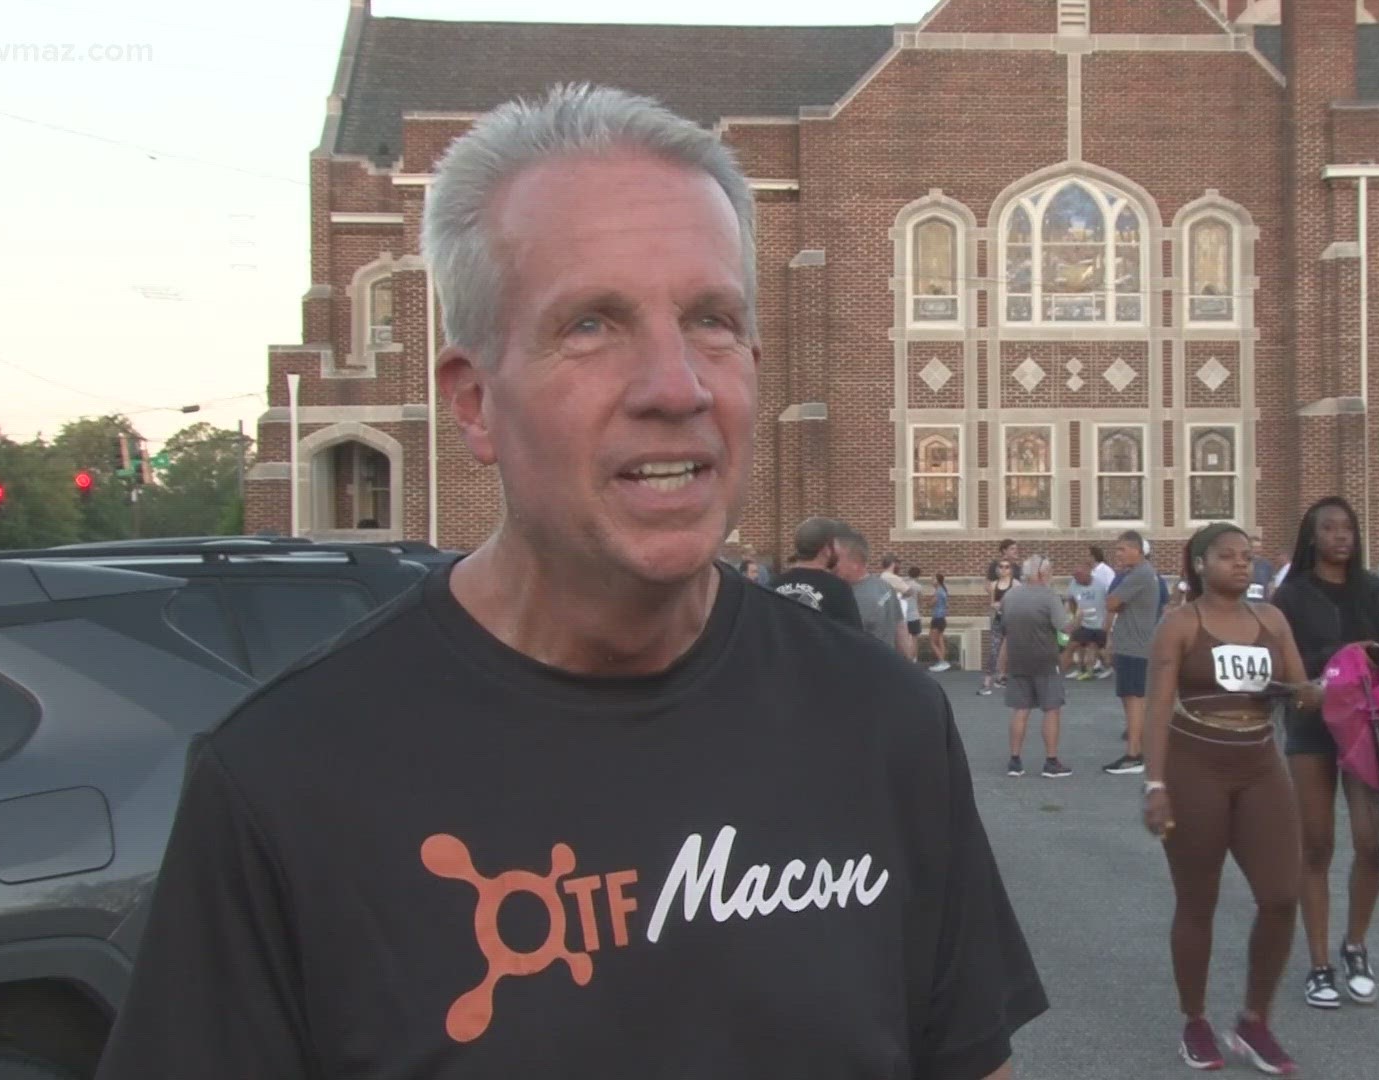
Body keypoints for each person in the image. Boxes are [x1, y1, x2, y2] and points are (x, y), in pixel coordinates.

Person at [94, 84, 1045, 1079]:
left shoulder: (880, 722)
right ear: (473, 402)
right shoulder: (284, 784)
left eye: (712, 320)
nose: (675, 386)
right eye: (592, 325)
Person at [1143, 523, 1316, 1075]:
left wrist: (1334, 685)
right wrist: (1155, 784)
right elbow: (1157, 709)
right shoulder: (1179, 626)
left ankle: (1254, 1020)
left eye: (1248, 556)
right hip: (1195, 766)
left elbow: (1300, 693)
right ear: (1200, 564)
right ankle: (1194, 1020)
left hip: (1260, 764)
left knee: (1282, 894)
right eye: (1228, 556)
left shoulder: (1273, 620)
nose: (1243, 564)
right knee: (1198, 900)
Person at [1272, 496, 1379, 1010]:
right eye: (1329, 528)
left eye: (1347, 527)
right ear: (1312, 537)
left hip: (1369, 725)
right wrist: (1338, 662)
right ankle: (1319, 962)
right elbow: (1285, 667)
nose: (1340, 536)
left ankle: (1356, 946)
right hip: (1313, 725)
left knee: (1371, 842)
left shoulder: (1376, 591)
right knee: (1318, 843)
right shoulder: (1292, 596)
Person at [998, 554, 1073, 779]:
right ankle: (1051, 761)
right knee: (1051, 709)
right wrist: (1075, 623)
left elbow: (1004, 628)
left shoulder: (1010, 596)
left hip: (1018, 660)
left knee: (1020, 710)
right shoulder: (1049, 597)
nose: (1051, 575)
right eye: (1049, 571)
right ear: (1041, 574)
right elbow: (1064, 629)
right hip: (1045, 660)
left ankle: (1015, 761)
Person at [1104, 530, 1163, 776]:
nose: (1117, 555)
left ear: (1138, 551)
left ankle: (1134, 754)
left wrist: (1118, 598)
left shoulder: (1140, 573)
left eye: (1122, 549)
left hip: (1135, 647)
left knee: (1134, 700)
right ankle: (1137, 750)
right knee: (1132, 699)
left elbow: (1111, 603)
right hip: (1133, 645)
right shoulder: (1139, 574)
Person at [774, 515, 863, 629]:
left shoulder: (772, 585)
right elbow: (855, 639)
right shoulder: (838, 589)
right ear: (826, 549)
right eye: (837, 544)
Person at [838, 531, 909, 654]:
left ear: (855, 563)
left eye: (836, 560)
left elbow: (900, 627)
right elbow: (901, 629)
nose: (831, 565)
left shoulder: (854, 596)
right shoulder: (885, 587)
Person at [981, 558, 1019, 696]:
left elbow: (1019, 603)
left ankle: (1007, 677)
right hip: (998, 620)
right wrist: (995, 607)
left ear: (1011, 570)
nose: (1004, 569)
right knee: (993, 650)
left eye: (1007, 567)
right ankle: (987, 682)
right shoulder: (993, 584)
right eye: (1001, 567)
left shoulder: (1015, 584)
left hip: (1012, 621)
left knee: (1012, 651)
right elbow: (991, 603)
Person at [1063, 566, 1109, 680]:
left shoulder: (1100, 585)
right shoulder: (1074, 584)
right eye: (1075, 577)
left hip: (1099, 623)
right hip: (1083, 622)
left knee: (1097, 649)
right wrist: (1074, 616)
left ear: (1087, 574)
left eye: (1079, 576)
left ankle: (1107, 667)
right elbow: (1070, 600)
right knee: (1074, 644)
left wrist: (1108, 622)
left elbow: (1109, 603)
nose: (1076, 579)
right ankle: (1080, 669)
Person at [926, 572, 953, 672]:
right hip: (942, 619)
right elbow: (947, 605)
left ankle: (942, 662)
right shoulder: (944, 591)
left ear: (938, 580)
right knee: (940, 640)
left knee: (932, 641)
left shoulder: (938, 591)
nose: (932, 581)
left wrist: (928, 603)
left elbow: (932, 603)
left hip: (937, 618)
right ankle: (943, 662)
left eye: (933, 579)